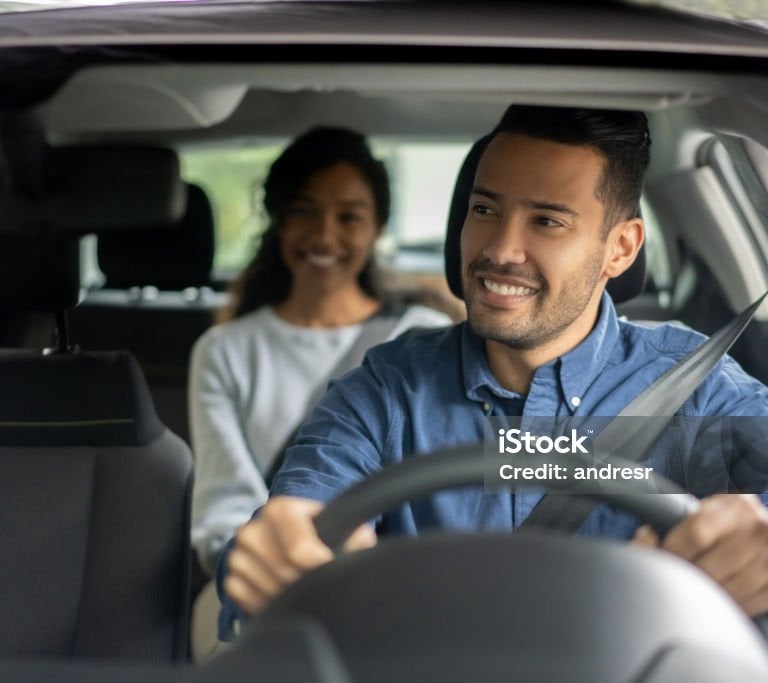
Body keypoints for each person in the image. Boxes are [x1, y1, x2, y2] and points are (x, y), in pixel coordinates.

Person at [219, 106, 768, 636]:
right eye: (484, 210)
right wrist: (277, 554)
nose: (501, 249)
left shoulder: (695, 389)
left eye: (547, 221)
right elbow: (296, 519)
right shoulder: (388, 391)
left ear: (620, 249)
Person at [187, 126, 451, 658]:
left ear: (377, 227)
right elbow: (224, 508)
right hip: (267, 583)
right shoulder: (225, 350)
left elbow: (440, 495)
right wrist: (275, 565)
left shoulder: (422, 338)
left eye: (348, 217)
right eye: (304, 211)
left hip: (397, 580)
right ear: (279, 220)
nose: (324, 236)